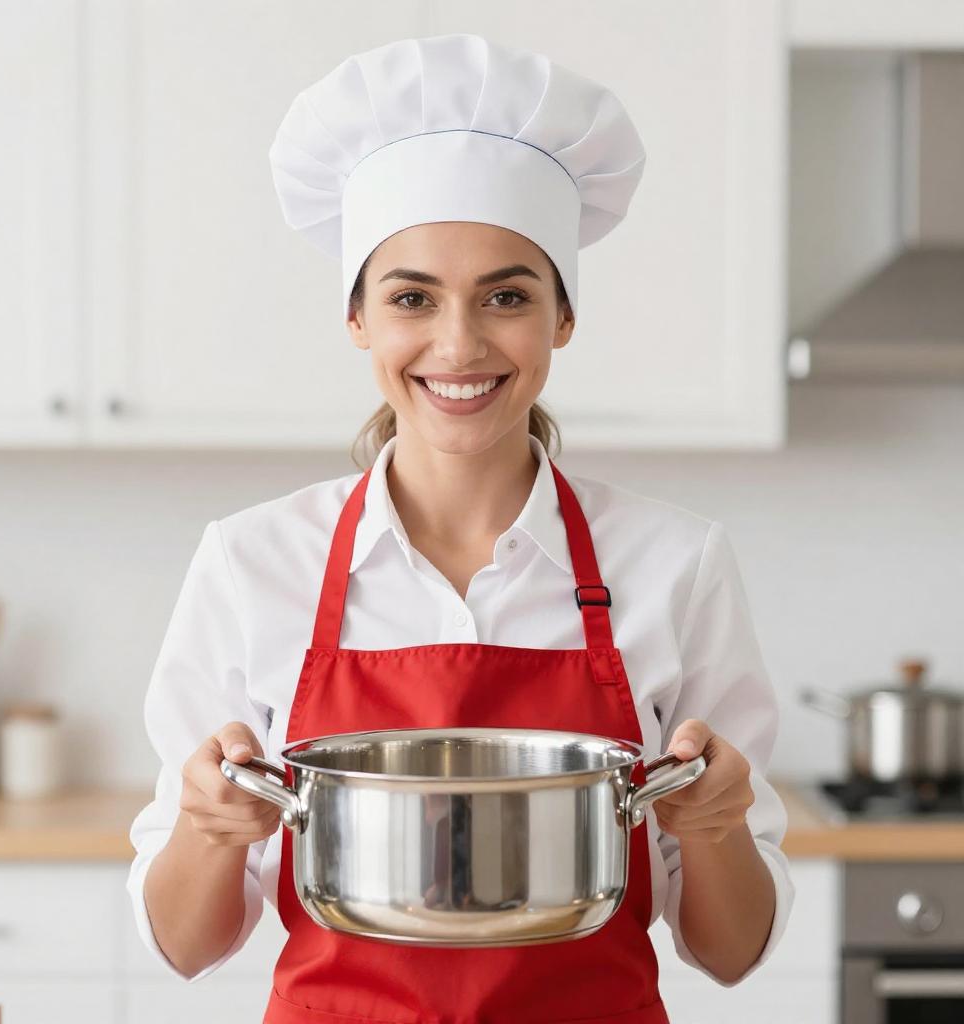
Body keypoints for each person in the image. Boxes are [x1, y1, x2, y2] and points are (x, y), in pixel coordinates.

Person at [126, 32, 794, 1024]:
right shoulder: (252, 561)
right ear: (357, 319)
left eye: (507, 297)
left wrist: (717, 824)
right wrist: (211, 830)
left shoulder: (675, 565)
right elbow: (183, 946)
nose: (458, 343)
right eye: (411, 298)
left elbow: (731, 954)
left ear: (562, 318)